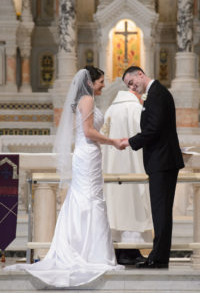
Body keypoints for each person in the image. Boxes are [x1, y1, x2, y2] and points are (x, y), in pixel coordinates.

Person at [4, 66, 124, 287]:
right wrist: (113, 141)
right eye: (100, 82)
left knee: (87, 199)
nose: (103, 85)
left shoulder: (85, 99)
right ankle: (89, 253)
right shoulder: (87, 100)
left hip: (88, 153)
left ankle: (86, 249)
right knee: (88, 200)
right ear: (90, 82)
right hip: (87, 153)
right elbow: (88, 132)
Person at [121, 66, 184, 269]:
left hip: (163, 162)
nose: (132, 87)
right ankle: (159, 257)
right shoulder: (155, 93)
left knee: (161, 212)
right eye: (128, 86)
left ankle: (157, 258)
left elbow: (154, 128)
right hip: (162, 161)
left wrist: (130, 142)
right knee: (161, 212)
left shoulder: (157, 94)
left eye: (132, 82)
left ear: (140, 74)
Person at [102, 89, 153, 265]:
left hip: (112, 166)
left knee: (116, 208)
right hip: (131, 165)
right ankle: (130, 251)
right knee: (132, 206)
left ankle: (119, 250)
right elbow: (145, 136)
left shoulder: (110, 109)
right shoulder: (135, 109)